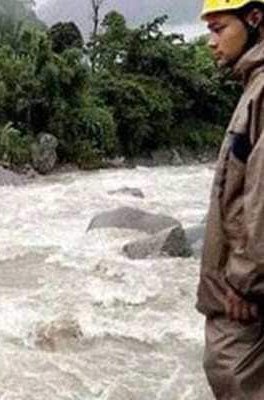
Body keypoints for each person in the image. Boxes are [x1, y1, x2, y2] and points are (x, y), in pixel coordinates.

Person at [198, 0, 264, 398]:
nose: (210, 41)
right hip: (245, 280)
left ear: (254, 20)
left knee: (233, 373)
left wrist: (245, 280)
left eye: (219, 29)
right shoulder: (254, 85)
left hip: (243, 292)